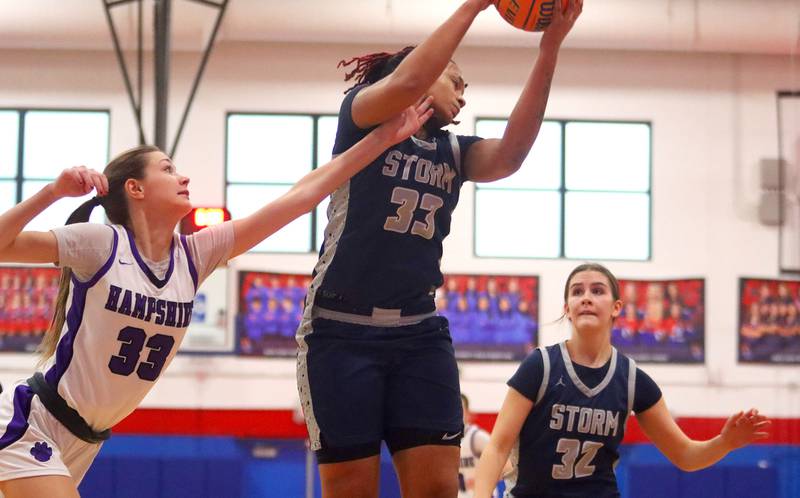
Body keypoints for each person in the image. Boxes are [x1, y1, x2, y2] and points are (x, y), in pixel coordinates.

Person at [0, 99, 433, 498]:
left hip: (85, 439)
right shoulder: (101, 243)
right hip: (32, 422)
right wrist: (52, 193)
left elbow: (302, 197)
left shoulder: (195, 255)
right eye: (168, 169)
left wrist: (382, 138)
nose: (183, 176)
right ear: (135, 188)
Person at [295, 1, 582, 497]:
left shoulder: (455, 151)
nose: (464, 98)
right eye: (456, 81)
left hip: (418, 333)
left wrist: (549, 46)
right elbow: (407, 84)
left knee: (436, 490)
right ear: (423, 72)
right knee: (350, 488)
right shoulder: (362, 115)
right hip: (340, 331)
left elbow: (512, 154)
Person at [473, 263, 771, 498]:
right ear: (567, 308)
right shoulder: (540, 366)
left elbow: (685, 455)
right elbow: (498, 447)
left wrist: (724, 442)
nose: (586, 297)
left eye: (597, 291)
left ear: (616, 307)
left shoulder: (632, 380)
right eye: (577, 292)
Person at [459, 394, 511, 498]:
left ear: (468, 413)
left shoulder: (476, 436)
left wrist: (483, 482)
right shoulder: (447, 441)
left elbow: (507, 465)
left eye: (461, 409)